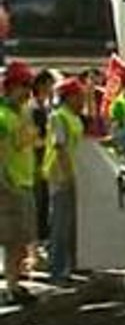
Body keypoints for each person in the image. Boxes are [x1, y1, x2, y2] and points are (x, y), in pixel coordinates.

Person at [0, 62, 40, 304]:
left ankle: (16, 283)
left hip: (25, 181)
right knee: (11, 239)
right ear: (10, 87)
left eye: (29, 86)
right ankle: (11, 287)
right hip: (10, 184)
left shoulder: (23, 113)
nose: (27, 92)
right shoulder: (2, 116)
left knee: (21, 238)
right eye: (23, 86)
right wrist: (5, 183)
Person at [42, 77, 86, 285]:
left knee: (73, 224)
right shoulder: (58, 117)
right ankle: (57, 271)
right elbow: (60, 148)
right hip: (61, 177)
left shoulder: (75, 118)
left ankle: (72, 265)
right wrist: (69, 174)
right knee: (60, 224)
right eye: (79, 96)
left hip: (75, 176)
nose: (83, 100)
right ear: (69, 97)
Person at [29, 70, 55, 257]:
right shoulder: (35, 110)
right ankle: (35, 244)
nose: (51, 88)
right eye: (49, 84)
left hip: (43, 163)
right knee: (39, 203)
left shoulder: (44, 108)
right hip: (36, 163)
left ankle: (39, 242)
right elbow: (36, 138)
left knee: (44, 202)